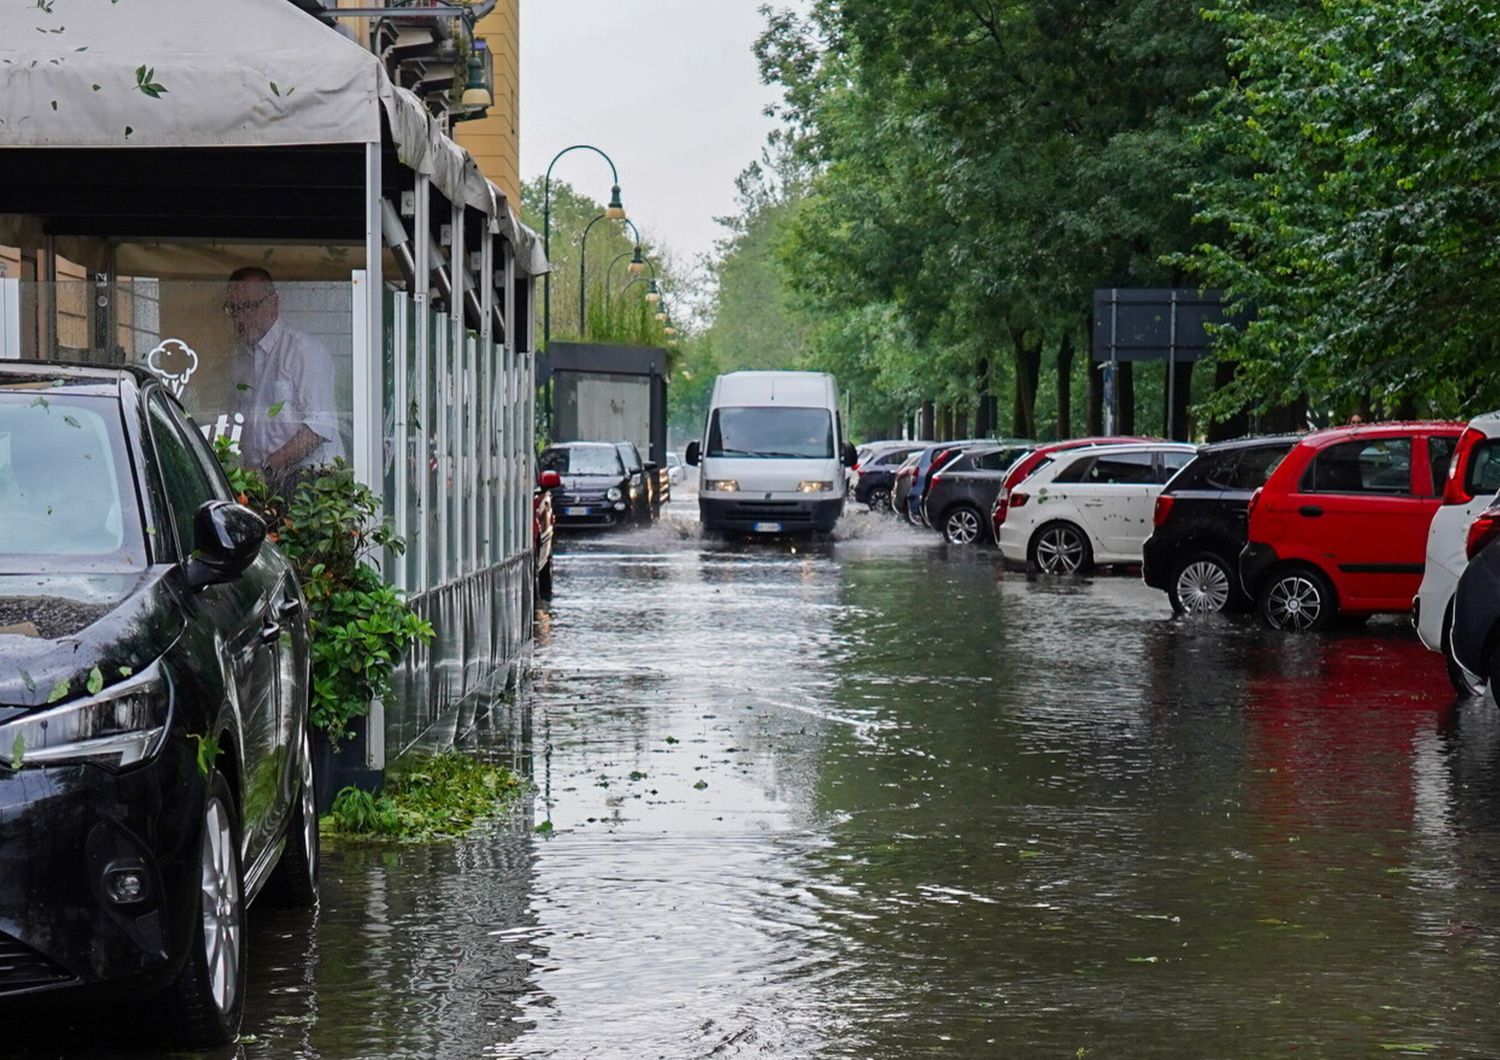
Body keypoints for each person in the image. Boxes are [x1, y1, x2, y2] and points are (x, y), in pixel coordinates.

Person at [224, 267, 344, 489]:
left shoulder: (303, 351)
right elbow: (236, 423)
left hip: (309, 482)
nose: (241, 317)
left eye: (248, 307)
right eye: (234, 308)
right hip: (260, 482)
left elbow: (318, 428)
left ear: (274, 303)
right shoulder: (240, 360)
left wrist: (267, 470)